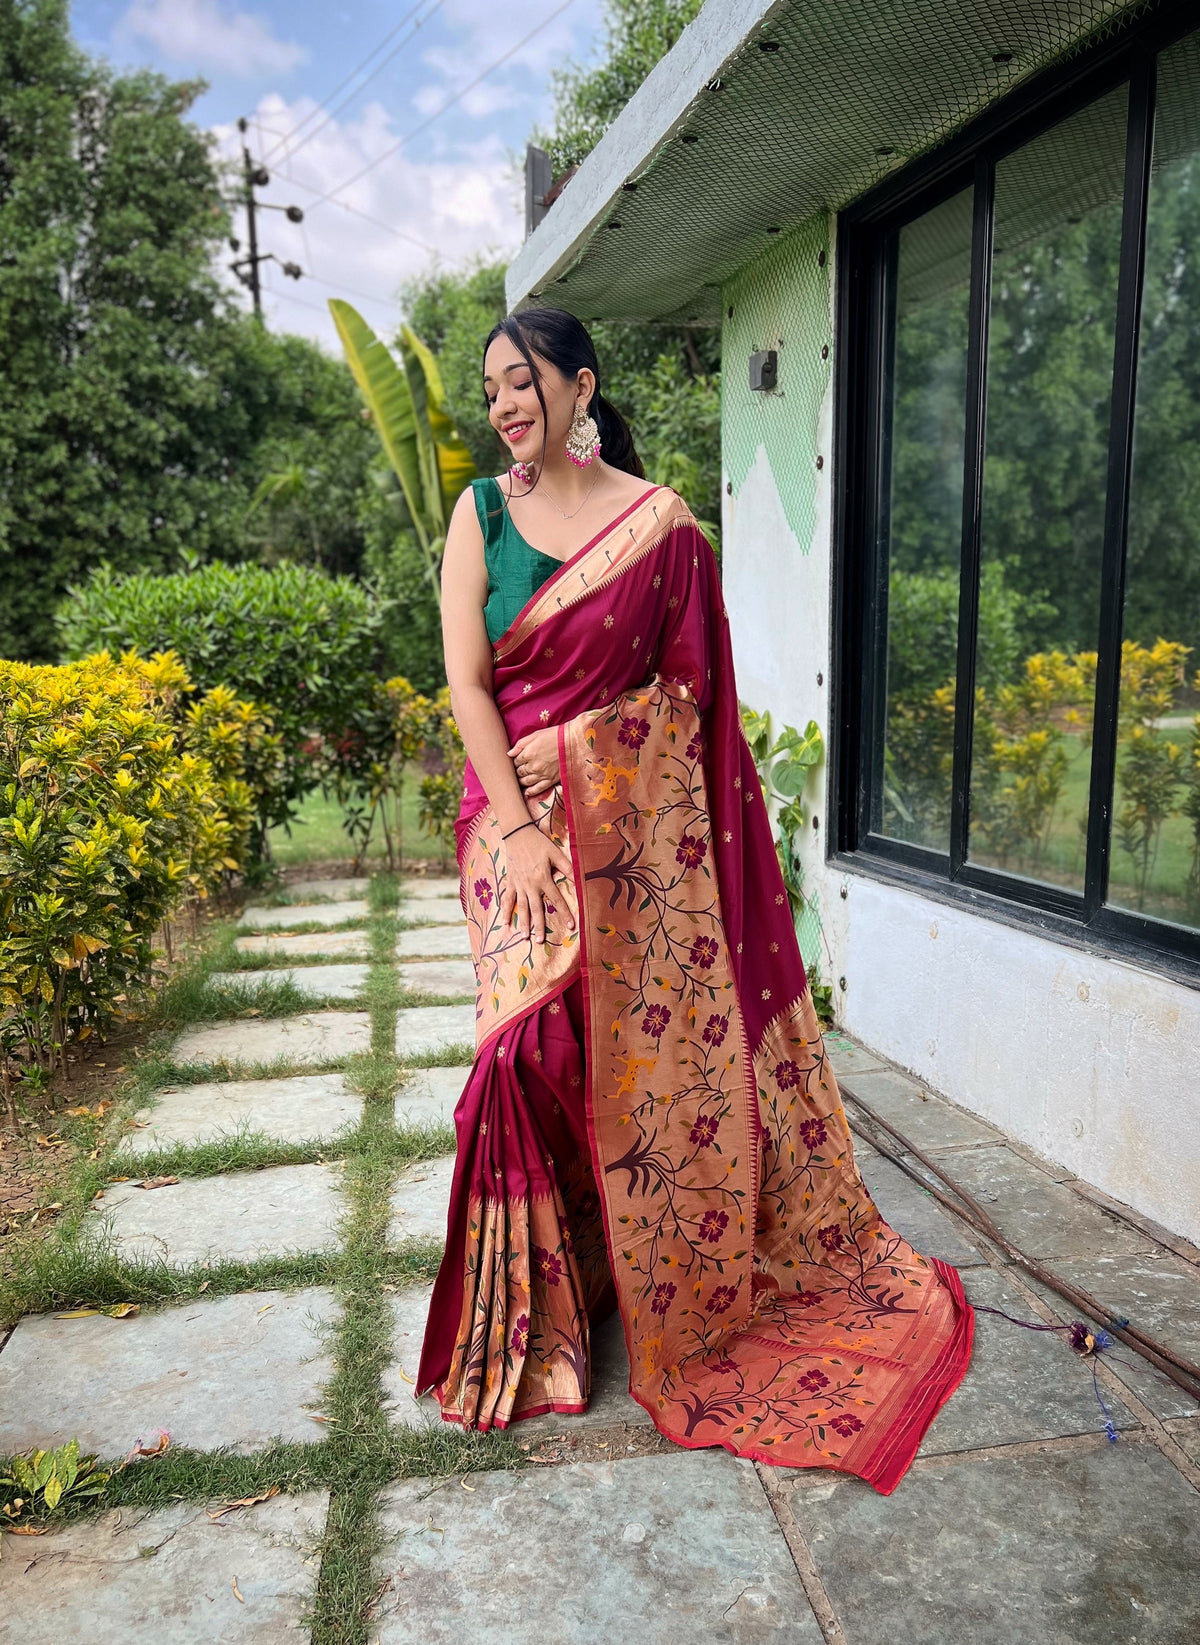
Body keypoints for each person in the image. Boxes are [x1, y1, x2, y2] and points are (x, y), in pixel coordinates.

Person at [418, 307, 973, 1494]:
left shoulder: (660, 528)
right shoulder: (479, 515)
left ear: (581, 386)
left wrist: (570, 746)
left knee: (602, 1055)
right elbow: (466, 678)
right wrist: (517, 825)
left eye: (524, 383)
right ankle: (533, 1323)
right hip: (508, 826)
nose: (506, 405)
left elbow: (686, 703)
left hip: (621, 823)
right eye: (492, 389)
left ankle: (616, 1267)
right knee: (521, 1057)